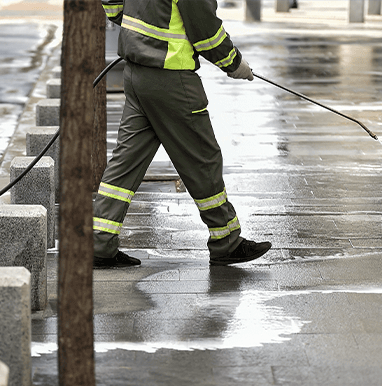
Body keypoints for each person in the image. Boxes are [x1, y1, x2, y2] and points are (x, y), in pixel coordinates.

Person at [95, 0, 273, 269]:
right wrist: (234, 64)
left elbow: (112, 4)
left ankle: (100, 242)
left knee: (125, 163)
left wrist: (138, 31)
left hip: (136, 72)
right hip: (171, 78)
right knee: (202, 159)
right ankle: (226, 240)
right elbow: (207, 34)